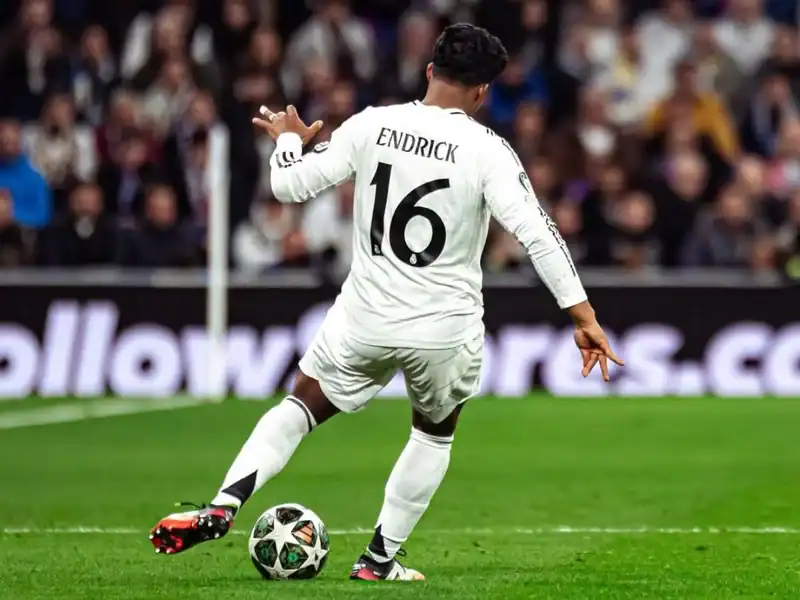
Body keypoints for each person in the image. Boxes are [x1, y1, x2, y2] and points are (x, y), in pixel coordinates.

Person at [149, 24, 623, 581]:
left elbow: (288, 187)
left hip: (364, 317)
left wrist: (288, 141)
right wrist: (583, 317)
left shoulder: (373, 124)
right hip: (443, 326)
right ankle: (378, 560)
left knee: (300, 406)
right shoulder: (487, 149)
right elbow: (538, 235)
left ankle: (223, 504)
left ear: (430, 71)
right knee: (434, 431)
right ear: (482, 92)